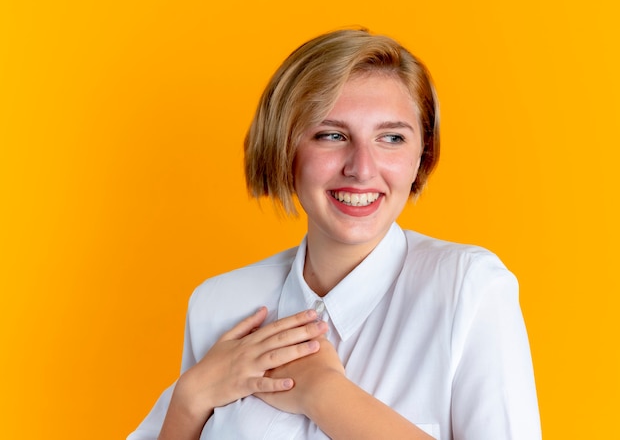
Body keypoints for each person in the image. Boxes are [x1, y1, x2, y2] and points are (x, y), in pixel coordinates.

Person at [128, 28, 541, 440]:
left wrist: (323, 392)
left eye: (392, 137)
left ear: (422, 156)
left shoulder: (469, 291)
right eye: (332, 135)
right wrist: (189, 398)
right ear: (284, 148)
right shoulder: (219, 305)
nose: (362, 168)